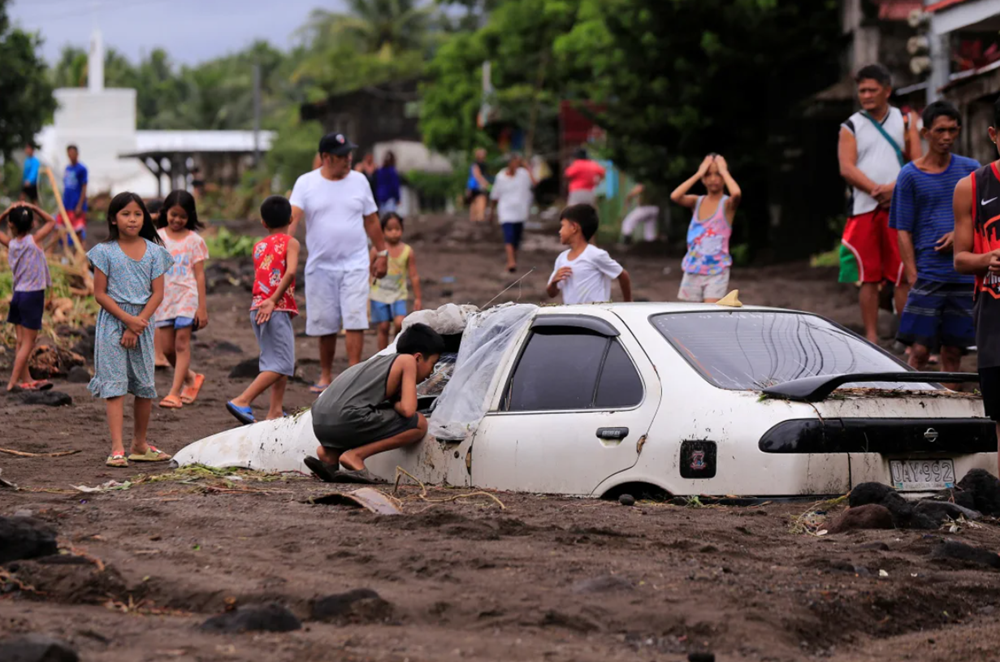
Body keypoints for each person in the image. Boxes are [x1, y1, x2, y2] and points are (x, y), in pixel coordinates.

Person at [289, 132, 389, 392]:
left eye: (349, 154)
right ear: (325, 157)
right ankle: (325, 376)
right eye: (342, 156)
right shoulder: (306, 183)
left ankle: (353, 375)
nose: (348, 159)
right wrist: (281, 249)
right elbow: (293, 218)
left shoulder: (359, 181)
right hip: (320, 265)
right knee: (326, 323)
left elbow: (371, 219)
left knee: (355, 318)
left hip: (355, 262)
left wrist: (383, 253)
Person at [891, 101, 979, 372]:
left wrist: (960, 233)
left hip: (963, 274)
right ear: (926, 133)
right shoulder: (909, 176)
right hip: (928, 275)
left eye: (952, 130)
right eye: (940, 130)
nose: (947, 137)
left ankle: (950, 410)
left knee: (953, 351)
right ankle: (913, 408)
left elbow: (986, 216)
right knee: (918, 350)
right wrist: (913, 275)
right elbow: (901, 229)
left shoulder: (971, 169)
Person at [86, 192, 174, 468]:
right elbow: (100, 294)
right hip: (113, 323)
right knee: (115, 386)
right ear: (113, 218)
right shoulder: (104, 252)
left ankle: (140, 444)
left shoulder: (155, 252)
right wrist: (127, 321)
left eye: (137, 214)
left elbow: (158, 294)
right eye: (125, 214)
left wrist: (137, 325)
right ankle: (117, 448)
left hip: (143, 324)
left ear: (144, 218)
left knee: (144, 386)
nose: (132, 219)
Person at [838, 64, 921, 343]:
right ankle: (871, 337)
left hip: (900, 207)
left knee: (901, 273)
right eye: (862, 90)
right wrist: (877, 190)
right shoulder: (850, 125)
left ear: (887, 90)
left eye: (872, 89)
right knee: (868, 276)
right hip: (864, 208)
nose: (866, 95)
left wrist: (895, 189)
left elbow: (918, 163)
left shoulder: (907, 120)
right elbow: (846, 168)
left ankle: (904, 336)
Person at [305, 323, 444, 481]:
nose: (431, 373)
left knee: (365, 414)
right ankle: (355, 457)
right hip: (345, 417)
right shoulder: (408, 361)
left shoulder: (379, 361)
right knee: (419, 423)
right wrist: (395, 403)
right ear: (418, 357)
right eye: (433, 364)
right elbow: (408, 410)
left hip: (320, 421)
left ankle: (329, 454)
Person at [953, 96, 1000, 475]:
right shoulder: (972, 186)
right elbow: (960, 258)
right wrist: (988, 259)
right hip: (994, 317)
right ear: (994, 135)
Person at [227, 196, 301, 425]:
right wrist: (274, 300)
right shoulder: (291, 242)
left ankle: (275, 410)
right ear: (291, 218)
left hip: (259, 308)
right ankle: (242, 400)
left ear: (263, 223)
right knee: (283, 364)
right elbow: (289, 272)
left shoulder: (258, 246)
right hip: (273, 308)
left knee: (276, 360)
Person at [154, 190, 209, 409]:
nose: (177, 220)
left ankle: (174, 393)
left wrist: (202, 308)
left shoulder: (195, 240)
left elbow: (200, 275)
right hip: (165, 299)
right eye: (173, 214)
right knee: (167, 349)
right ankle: (191, 378)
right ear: (166, 212)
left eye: (182, 216)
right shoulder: (157, 238)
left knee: (181, 344)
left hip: (187, 296)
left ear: (190, 217)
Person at [0, 202, 57, 392]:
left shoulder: (12, 243)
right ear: (33, 224)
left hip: (18, 296)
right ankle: (13, 382)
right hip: (32, 297)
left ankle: (25, 379)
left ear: (10, 225)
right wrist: (33, 206)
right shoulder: (35, 240)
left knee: (20, 341)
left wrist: (7, 211)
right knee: (28, 343)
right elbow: (52, 221)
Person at [670, 154, 742, 303]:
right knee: (691, 316)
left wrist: (724, 170)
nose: (713, 178)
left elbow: (736, 193)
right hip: (692, 269)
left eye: (718, 174)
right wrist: (698, 173)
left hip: (717, 271)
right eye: (708, 174)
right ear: (703, 178)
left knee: (709, 313)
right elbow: (675, 196)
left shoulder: (727, 205)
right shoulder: (696, 202)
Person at [547, 204, 632, 304]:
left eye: (563, 226)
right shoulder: (562, 258)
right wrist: (553, 282)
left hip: (595, 316)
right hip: (572, 316)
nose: (560, 231)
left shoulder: (595, 255)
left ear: (574, 227)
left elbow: (623, 275)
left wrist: (628, 303)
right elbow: (551, 293)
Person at [370, 212, 422, 351]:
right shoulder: (376, 251)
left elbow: (414, 275)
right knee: (383, 326)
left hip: (399, 294)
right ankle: (381, 355)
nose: (394, 233)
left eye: (397, 229)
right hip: (378, 294)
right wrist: (365, 295)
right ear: (382, 231)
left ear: (402, 230)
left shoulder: (407, 251)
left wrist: (417, 297)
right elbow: (369, 272)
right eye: (389, 229)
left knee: (400, 323)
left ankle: (395, 349)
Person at [488, 152, 536, 273]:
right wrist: (491, 212)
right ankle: (511, 261)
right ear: (509, 163)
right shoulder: (501, 177)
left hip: (521, 211)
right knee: (508, 236)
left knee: (516, 238)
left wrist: (526, 166)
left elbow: (534, 182)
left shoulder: (523, 174)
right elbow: (495, 195)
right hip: (506, 211)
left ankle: (512, 260)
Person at [62, 145, 89, 241]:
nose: (71, 156)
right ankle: (69, 252)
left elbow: (84, 188)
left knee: (79, 231)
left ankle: (80, 253)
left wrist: (79, 205)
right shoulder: (67, 168)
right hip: (67, 205)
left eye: (73, 153)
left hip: (77, 205)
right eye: (69, 154)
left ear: (77, 154)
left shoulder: (82, 169)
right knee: (64, 229)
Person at [467, 148, 491, 223]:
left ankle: (474, 217)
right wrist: (484, 182)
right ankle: (479, 216)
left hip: (473, 185)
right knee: (481, 199)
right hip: (478, 185)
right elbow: (477, 175)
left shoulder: (476, 164)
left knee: (474, 200)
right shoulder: (477, 164)